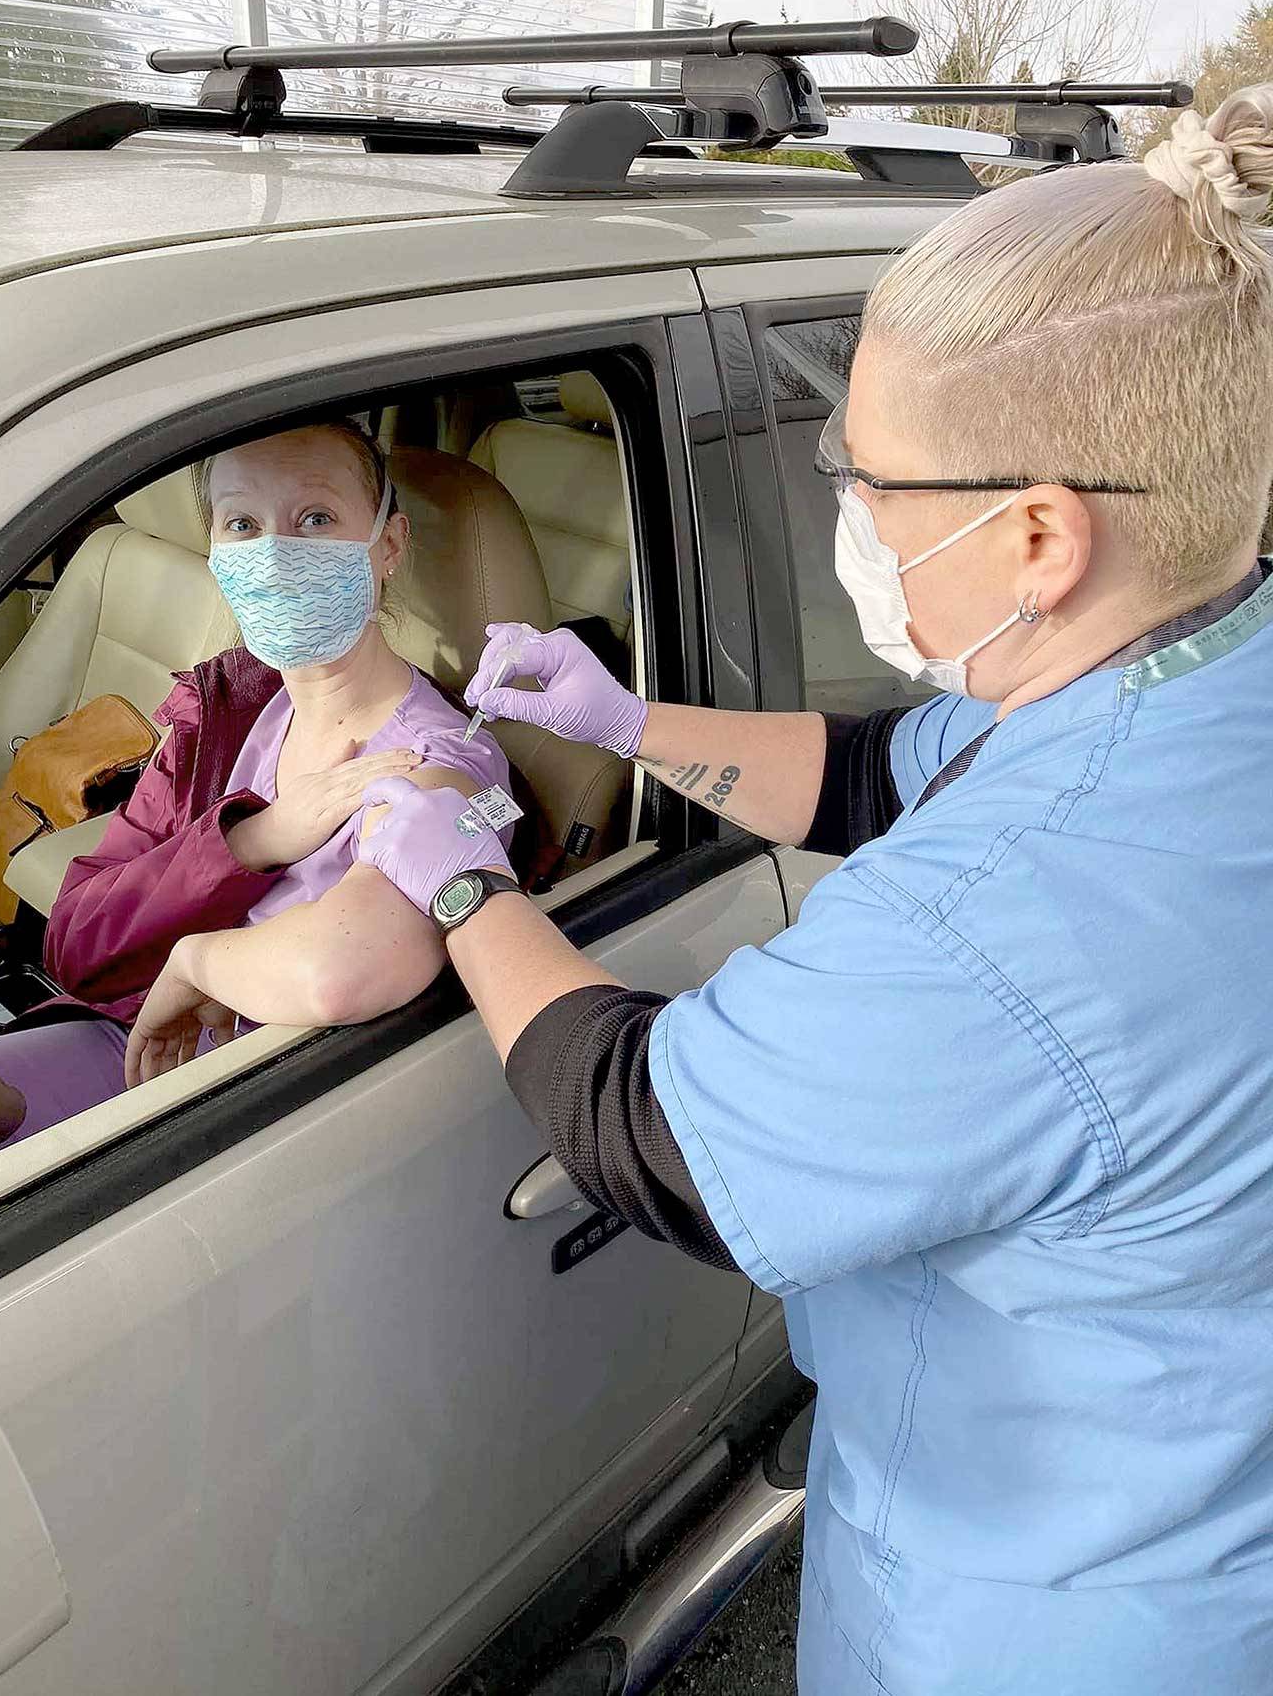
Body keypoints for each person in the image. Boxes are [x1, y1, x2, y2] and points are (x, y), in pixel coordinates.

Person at [348, 87, 1273, 1694]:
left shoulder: (997, 922)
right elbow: (881, 771)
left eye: (872, 480)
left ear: (1039, 532)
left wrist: (454, 877)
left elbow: (645, 1126)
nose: (846, 506)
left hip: (1048, 1618)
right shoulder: (1199, 658)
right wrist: (625, 722)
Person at [0, 420, 510, 1149]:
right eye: (242, 523)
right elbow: (75, 942)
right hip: (131, 1052)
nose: (274, 553)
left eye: (316, 518)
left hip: (252, 1117)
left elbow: (346, 962)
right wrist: (250, 838)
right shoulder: (221, 711)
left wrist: (194, 959)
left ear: (388, 547)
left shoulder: (443, 756)